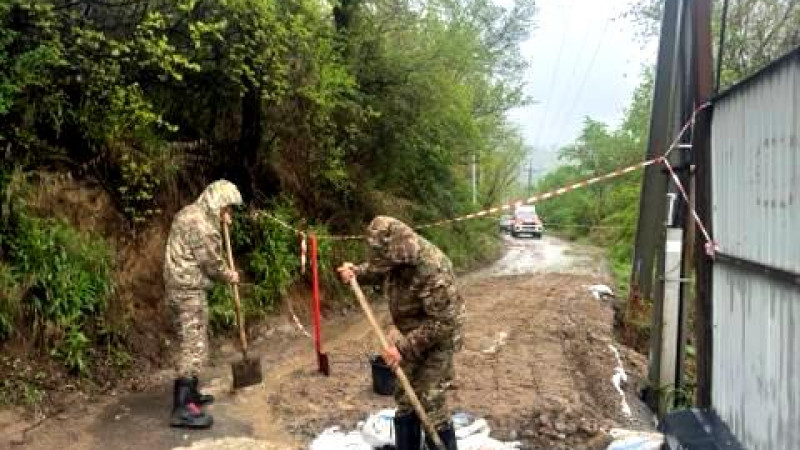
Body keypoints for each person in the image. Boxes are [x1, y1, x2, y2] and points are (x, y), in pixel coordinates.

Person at [338, 216, 464, 450]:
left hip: (438, 337)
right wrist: (355, 273)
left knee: (429, 399)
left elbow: (444, 322)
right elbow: (379, 270)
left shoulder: (434, 270)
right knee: (406, 398)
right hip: (409, 332)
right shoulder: (393, 255)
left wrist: (402, 348)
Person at [163, 179, 243, 429]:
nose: (228, 213)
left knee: (193, 340)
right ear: (217, 202)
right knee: (193, 347)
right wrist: (231, 275)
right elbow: (211, 263)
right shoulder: (203, 226)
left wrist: (220, 220)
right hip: (189, 290)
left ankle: (192, 394)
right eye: (227, 208)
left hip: (178, 286)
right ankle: (183, 408)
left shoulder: (188, 212)